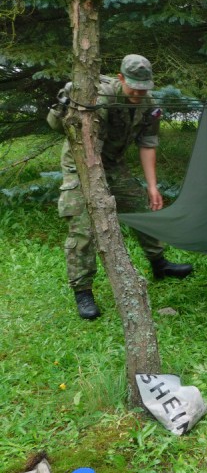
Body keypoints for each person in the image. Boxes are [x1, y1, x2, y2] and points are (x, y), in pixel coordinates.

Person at [55, 54, 193, 320]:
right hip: (82, 165)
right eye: (134, 87)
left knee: (141, 209)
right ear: (120, 78)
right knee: (83, 228)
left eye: (144, 88)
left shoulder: (148, 104)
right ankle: (83, 291)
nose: (139, 93)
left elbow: (147, 143)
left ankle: (159, 264)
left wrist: (152, 186)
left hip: (113, 164)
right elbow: (74, 133)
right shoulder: (102, 96)